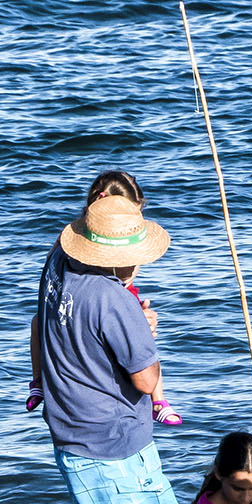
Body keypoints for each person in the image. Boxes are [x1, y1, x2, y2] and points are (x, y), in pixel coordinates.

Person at [38, 194, 185, 504]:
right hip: (112, 440)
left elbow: (39, 330)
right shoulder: (114, 300)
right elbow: (146, 380)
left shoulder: (57, 266)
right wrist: (148, 333)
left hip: (71, 428)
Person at [29, 171, 183, 425]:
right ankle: (160, 401)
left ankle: (38, 382)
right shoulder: (104, 293)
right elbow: (144, 377)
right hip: (109, 432)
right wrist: (137, 324)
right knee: (143, 346)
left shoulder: (59, 255)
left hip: (65, 413)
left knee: (37, 322)